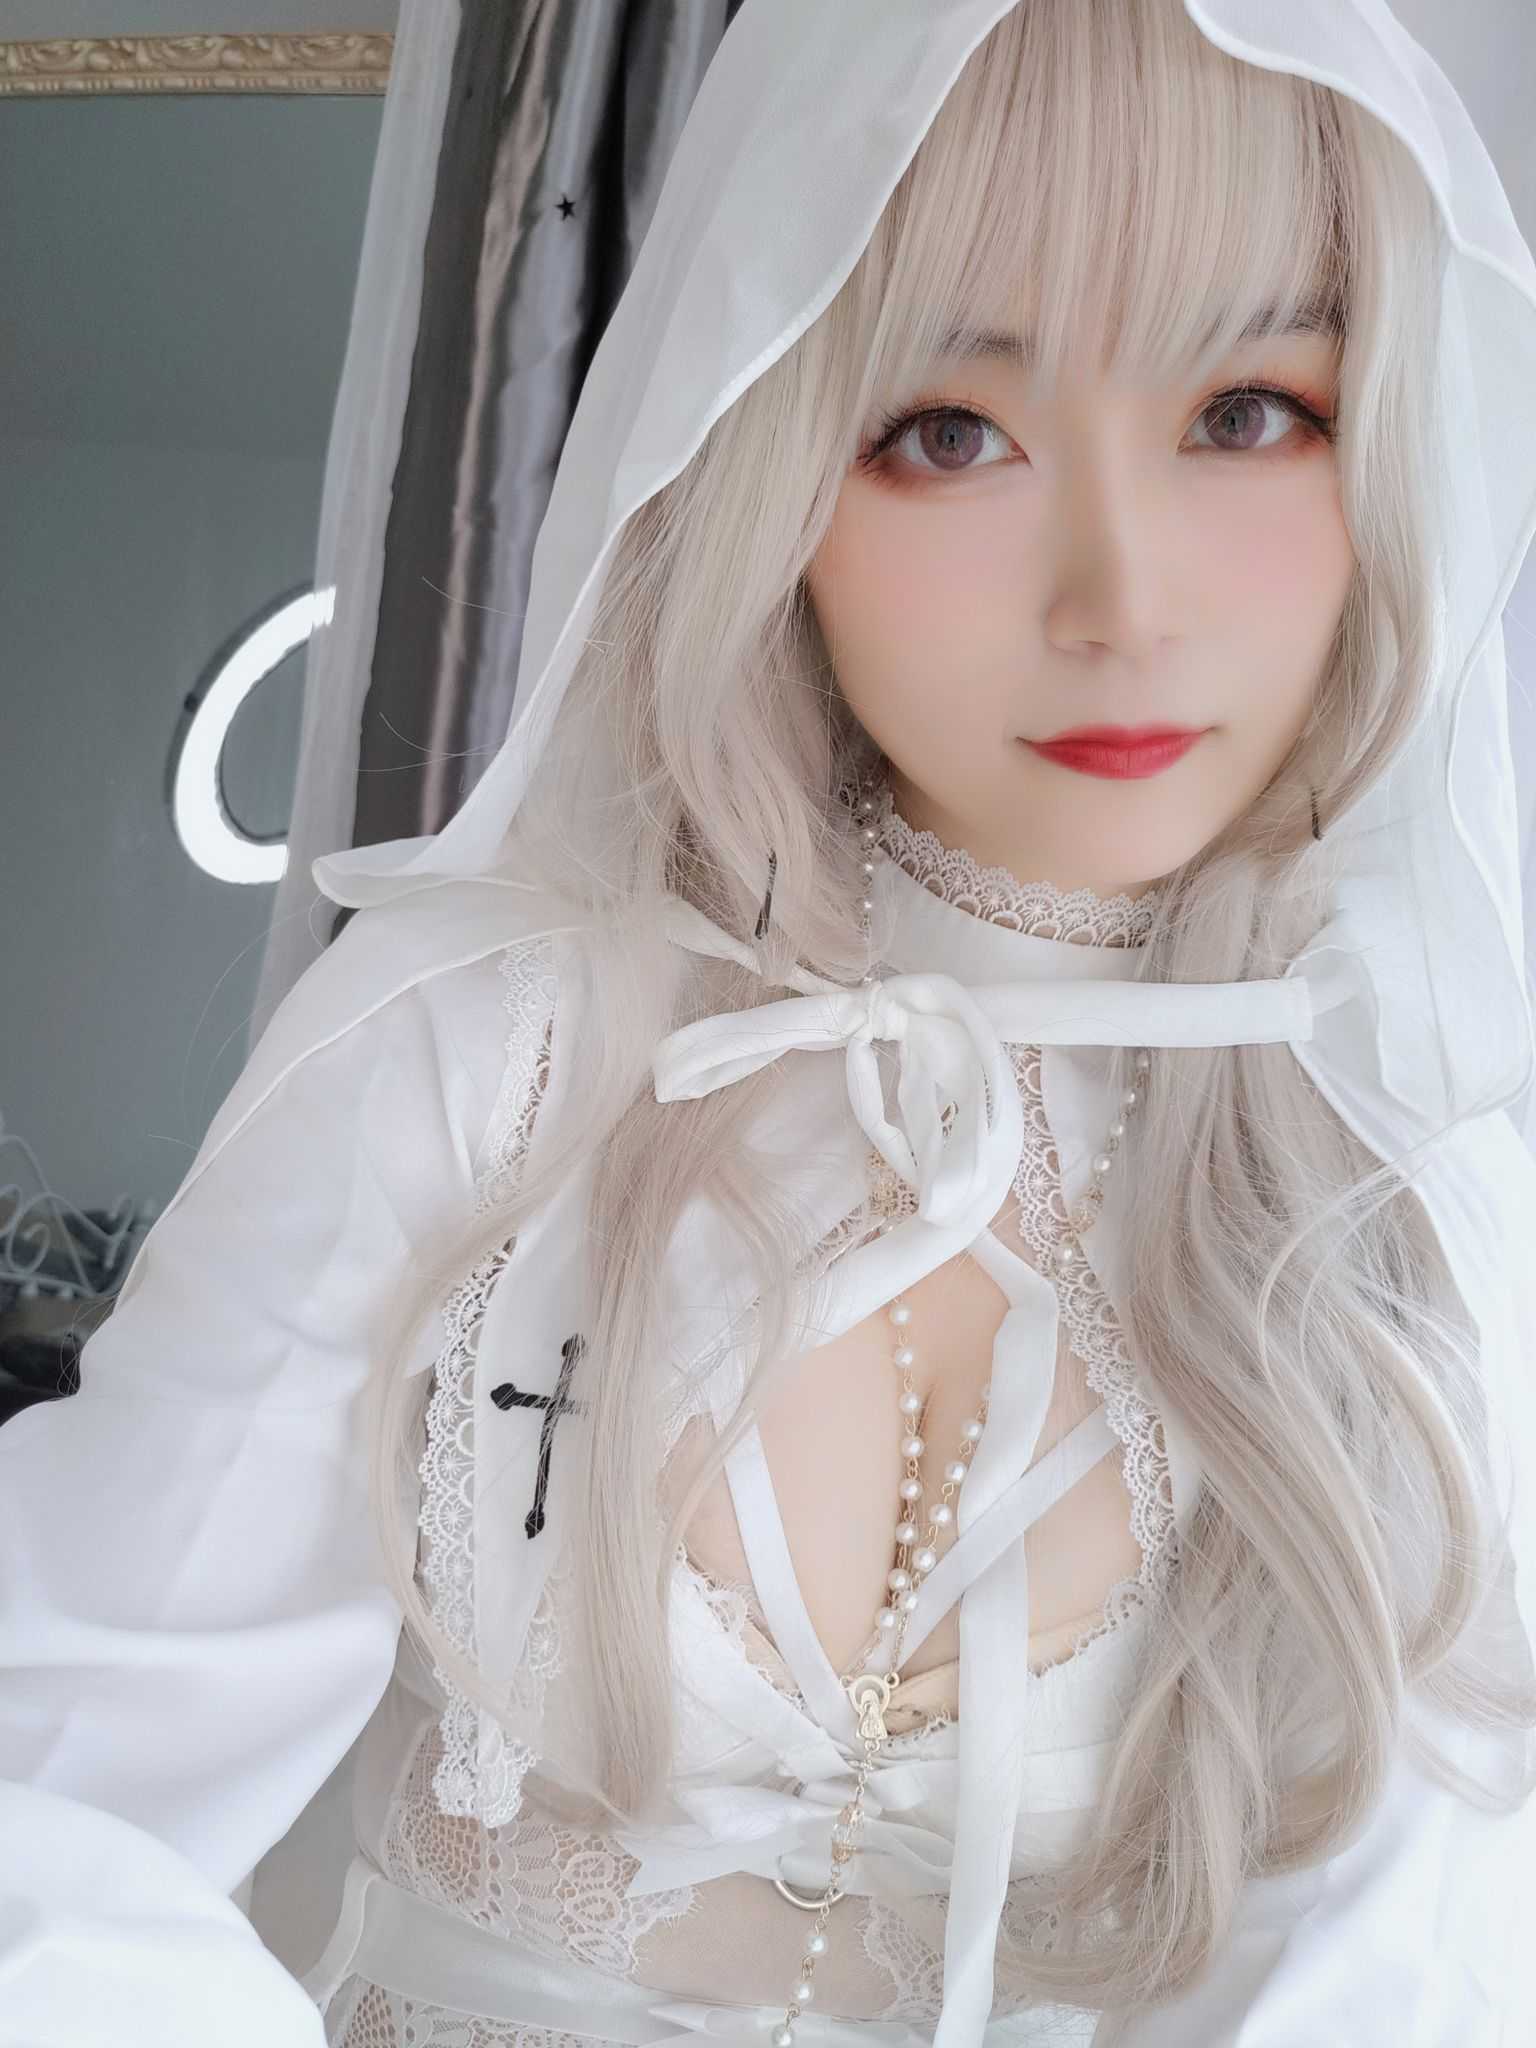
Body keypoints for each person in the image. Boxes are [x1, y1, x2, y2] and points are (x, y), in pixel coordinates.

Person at [4, 1, 1536, 2042]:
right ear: (774, 455)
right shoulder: (493, 1048)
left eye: (1249, 409)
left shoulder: (1419, 1201)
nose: (1122, 596)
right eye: (951, 432)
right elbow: (52, 1791)